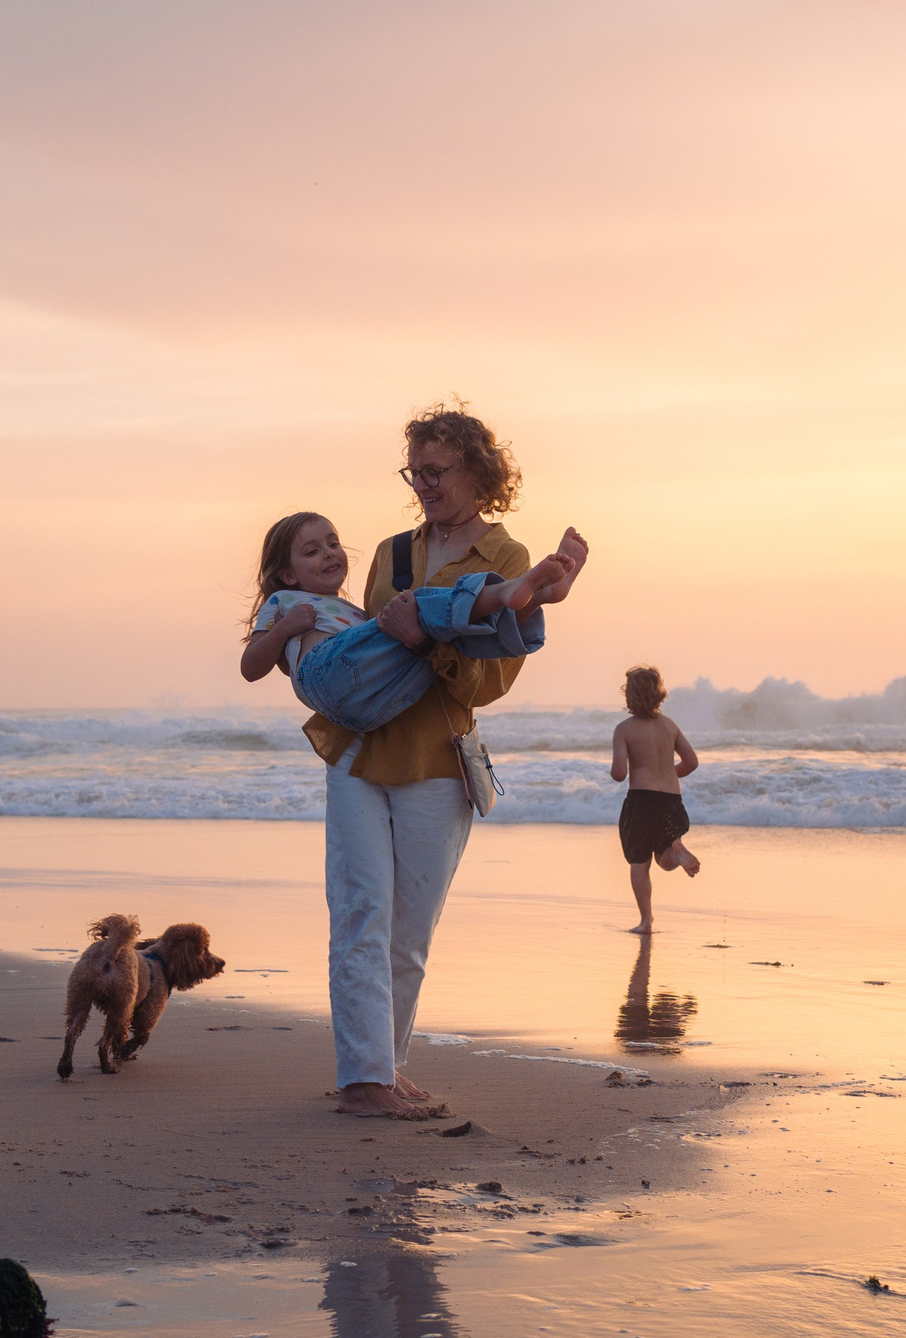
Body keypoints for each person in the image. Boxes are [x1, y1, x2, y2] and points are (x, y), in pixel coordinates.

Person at [290, 406, 587, 1119]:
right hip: (360, 751)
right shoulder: (391, 553)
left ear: (479, 472)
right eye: (414, 472)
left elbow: (491, 683)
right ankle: (364, 1080)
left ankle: (385, 1066)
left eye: (436, 471)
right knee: (359, 913)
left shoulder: (509, 557)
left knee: (409, 930)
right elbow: (367, 660)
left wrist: (425, 641)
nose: (422, 484)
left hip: (437, 760)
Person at [239, 514, 578, 734]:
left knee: (448, 639)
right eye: (312, 552)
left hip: (371, 706)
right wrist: (285, 629)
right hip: (326, 677)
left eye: (333, 543)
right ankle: (510, 592)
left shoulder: (353, 611)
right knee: (416, 606)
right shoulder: (283, 602)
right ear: (287, 575)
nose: (329, 553)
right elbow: (251, 667)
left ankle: (533, 598)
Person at [609, 665, 700, 933]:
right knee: (664, 858)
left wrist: (618, 769)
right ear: (659, 693)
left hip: (641, 802)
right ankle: (677, 852)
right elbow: (692, 762)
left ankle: (646, 920)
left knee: (639, 862)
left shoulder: (624, 729)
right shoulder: (670, 726)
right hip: (671, 801)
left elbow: (619, 773)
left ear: (629, 697)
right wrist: (667, 773)